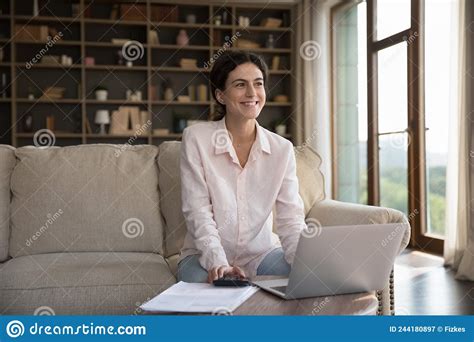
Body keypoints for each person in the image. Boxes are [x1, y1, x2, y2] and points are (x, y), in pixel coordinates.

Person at [177, 50, 307, 284]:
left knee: (307, 281)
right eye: (240, 85)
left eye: (258, 84)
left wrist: (305, 265)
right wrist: (218, 263)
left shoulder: (282, 149)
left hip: (262, 255)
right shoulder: (196, 138)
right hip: (203, 257)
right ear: (220, 95)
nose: (251, 93)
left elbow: (291, 219)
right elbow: (197, 212)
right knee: (211, 290)